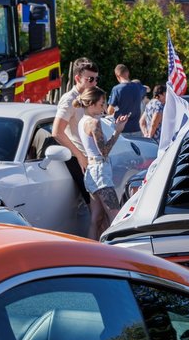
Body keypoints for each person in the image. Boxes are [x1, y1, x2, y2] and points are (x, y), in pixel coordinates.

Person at [75, 87, 129, 239]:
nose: (103, 107)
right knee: (115, 216)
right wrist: (118, 131)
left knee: (96, 218)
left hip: (92, 170)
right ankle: (115, 249)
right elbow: (104, 151)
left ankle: (90, 249)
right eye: (101, 104)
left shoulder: (82, 121)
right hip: (100, 171)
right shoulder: (93, 122)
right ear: (91, 103)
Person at [53, 57, 100, 216]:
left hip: (94, 159)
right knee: (96, 212)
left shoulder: (91, 97)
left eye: (96, 79)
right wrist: (80, 156)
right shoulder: (69, 99)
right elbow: (57, 132)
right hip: (80, 160)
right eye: (90, 79)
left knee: (99, 212)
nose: (94, 83)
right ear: (77, 78)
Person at [106, 64, 144, 133]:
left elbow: (110, 111)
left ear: (117, 76)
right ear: (128, 73)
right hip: (136, 129)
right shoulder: (138, 87)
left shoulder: (117, 89)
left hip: (122, 130)